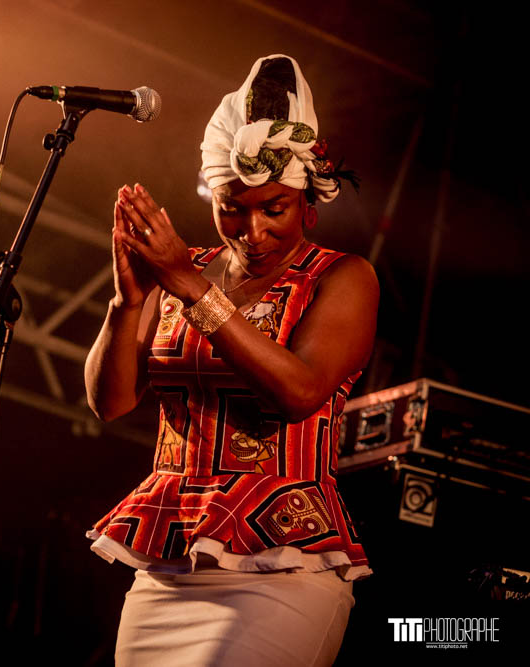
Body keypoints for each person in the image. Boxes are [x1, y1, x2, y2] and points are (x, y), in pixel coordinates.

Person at [84, 55, 378, 666]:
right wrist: (128, 298)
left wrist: (190, 287)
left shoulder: (341, 277)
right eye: (232, 208)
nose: (252, 230)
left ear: (307, 207)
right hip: (171, 557)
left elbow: (299, 392)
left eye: (274, 208)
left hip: (283, 565)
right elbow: (109, 403)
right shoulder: (177, 270)